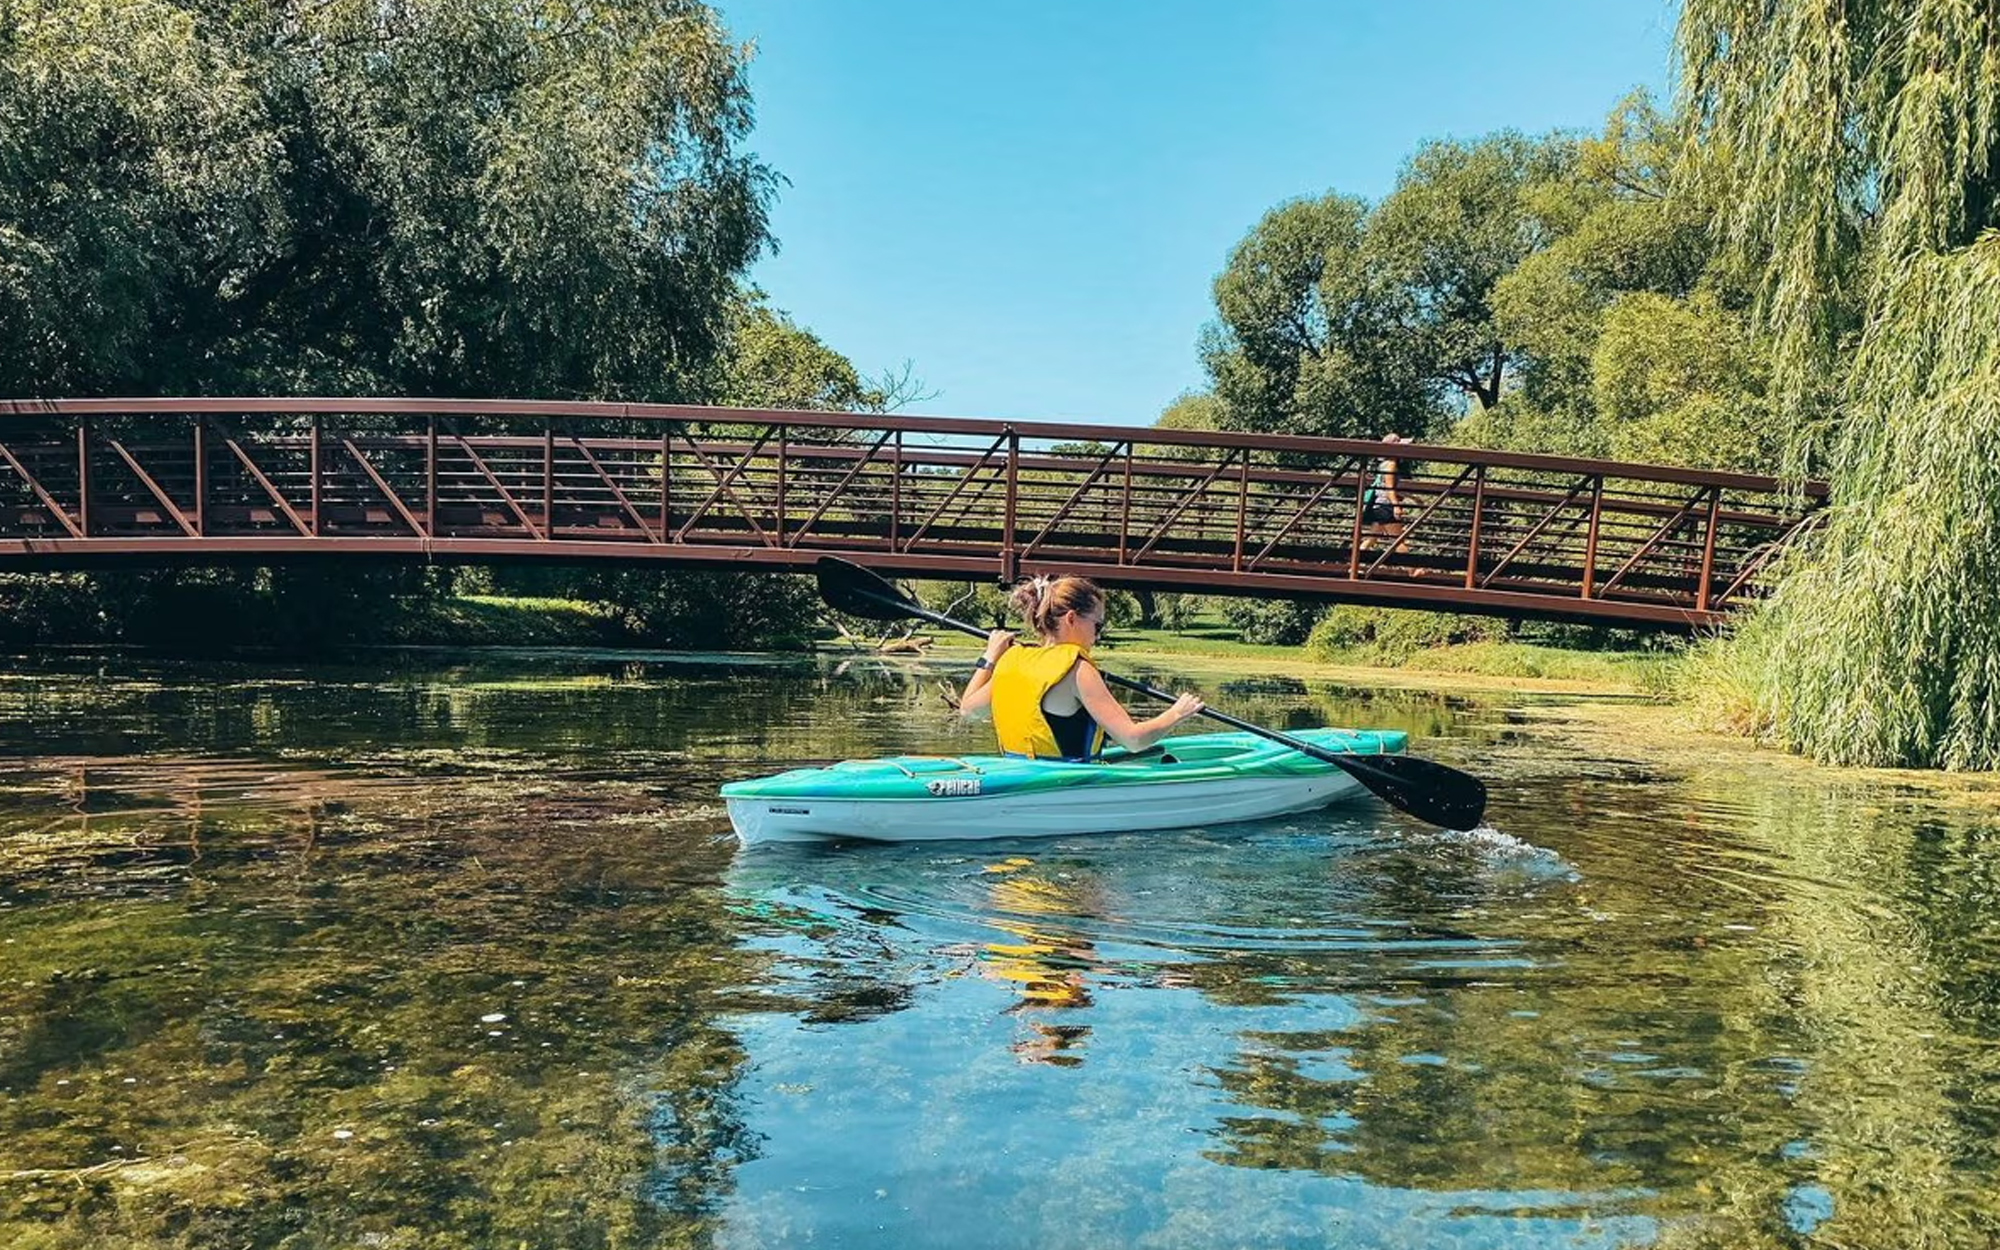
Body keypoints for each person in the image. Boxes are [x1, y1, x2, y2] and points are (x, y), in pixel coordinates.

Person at [957, 574, 1203, 760]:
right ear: (1072, 618)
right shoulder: (1077, 669)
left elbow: (968, 710)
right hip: (1066, 784)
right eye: (1098, 625)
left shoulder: (1012, 660)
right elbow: (1133, 740)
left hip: (1018, 773)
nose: (1098, 636)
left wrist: (990, 656)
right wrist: (1177, 713)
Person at [1361, 431, 1411, 552]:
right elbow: (1389, 488)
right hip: (1386, 506)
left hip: (1379, 505)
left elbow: (1386, 486)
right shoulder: (1391, 465)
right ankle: (1412, 565)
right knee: (1398, 541)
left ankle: (1354, 561)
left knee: (1371, 539)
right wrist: (1396, 506)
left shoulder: (1384, 464)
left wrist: (1414, 498)